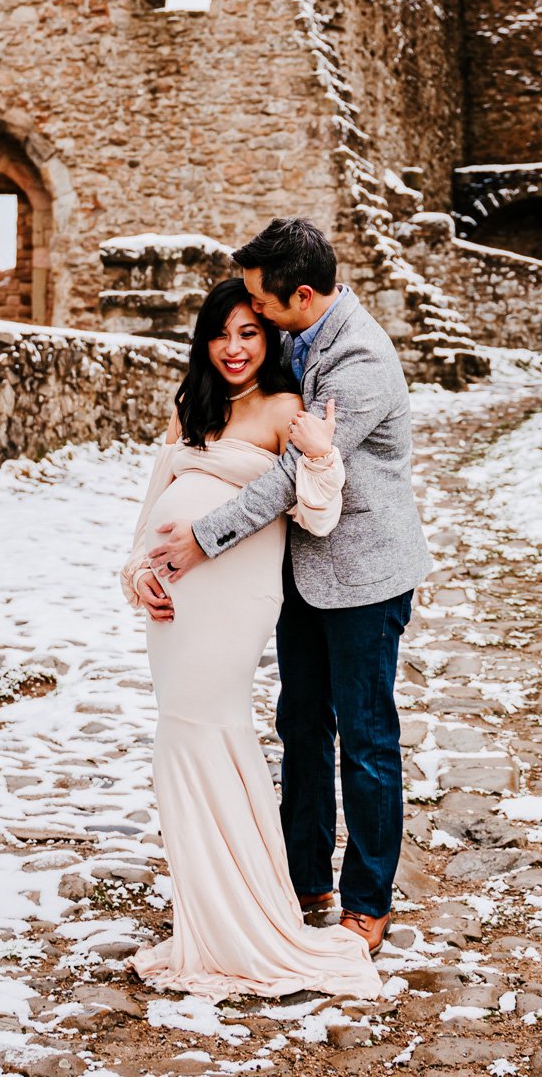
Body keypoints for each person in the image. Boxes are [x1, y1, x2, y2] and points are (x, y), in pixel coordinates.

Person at [144, 218, 430, 958]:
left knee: (366, 739)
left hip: (363, 576)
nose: (253, 321)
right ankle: (304, 879)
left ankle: (369, 901)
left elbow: (288, 478)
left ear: (299, 297)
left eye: (261, 308)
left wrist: (204, 539)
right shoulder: (302, 336)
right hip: (300, 574)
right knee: (302, 725)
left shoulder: (360, 359)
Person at [120, 277, 381, 999]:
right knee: (179, 737)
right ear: (204, 341)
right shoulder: (191, 407)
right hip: (174, 600)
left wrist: (322, 455)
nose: (234, 348)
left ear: (270, 340)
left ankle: (251, 920)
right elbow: (150, 514)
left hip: (236, 596)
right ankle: (207, 915)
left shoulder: (283, 408)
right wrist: (136, 573)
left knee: (210, 730)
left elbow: (319, 517)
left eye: (249, 333)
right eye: (221, 333)